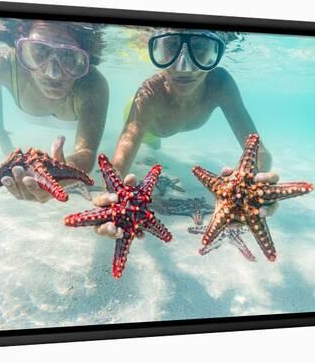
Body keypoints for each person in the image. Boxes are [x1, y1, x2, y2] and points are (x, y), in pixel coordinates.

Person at [94, 28, 279, 238]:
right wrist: (109, 197)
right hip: (146, 124)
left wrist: (255, 191)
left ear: (216, 52)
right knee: (150, 146)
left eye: (200, 47)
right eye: (171, 46)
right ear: (158, 49)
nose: (184, 67)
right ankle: (151, 143)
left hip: (164, 126)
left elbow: (258, 150)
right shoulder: (149, 94)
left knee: (154, 151)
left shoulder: (221, 84)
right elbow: (119, 164)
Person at [0, 18, 109, 202]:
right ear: (21, 52)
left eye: (68, 55)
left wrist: (62, 170)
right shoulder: (2, 65)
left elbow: (86, 152)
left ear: (84, 59)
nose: (53, 73)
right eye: (40, 50)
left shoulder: (93, 86)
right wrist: (0, 133)